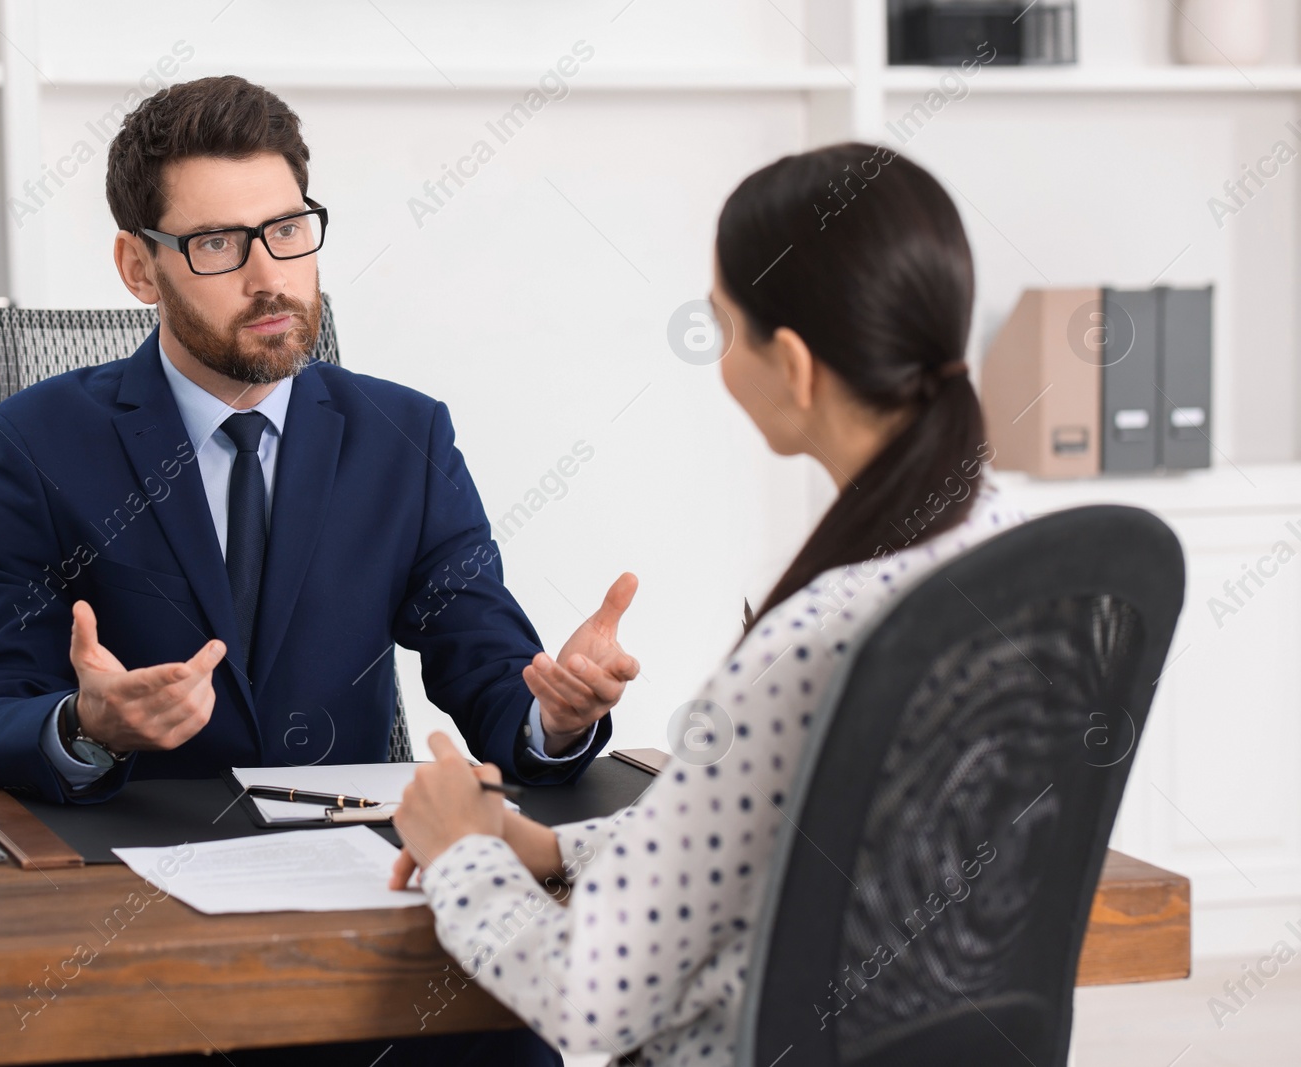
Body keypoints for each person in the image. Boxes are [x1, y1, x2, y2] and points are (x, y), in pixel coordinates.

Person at [388, 142, 1027, 1066]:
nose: (723, 362)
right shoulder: (1006, 549)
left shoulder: (815, 638)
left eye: (726, 328)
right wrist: (550, 849)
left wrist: (457, 851)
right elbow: (755, 832)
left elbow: (584, 996)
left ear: (795, 366)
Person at [0, 74, 640, 829]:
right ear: (140, 267)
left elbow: (493, 672)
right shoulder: (36, 445)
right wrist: (84, 724)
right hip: (135, 876)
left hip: (356, 873)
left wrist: (556, 717)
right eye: (216, 244)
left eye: (288, 231)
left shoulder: (405, 437)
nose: (270, 278)